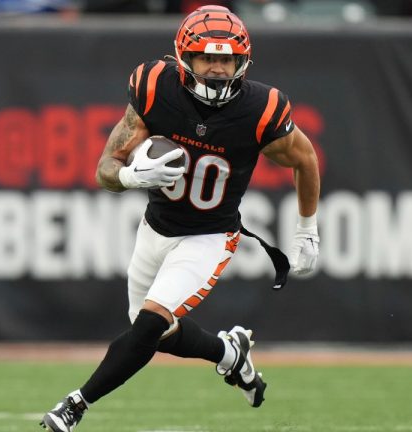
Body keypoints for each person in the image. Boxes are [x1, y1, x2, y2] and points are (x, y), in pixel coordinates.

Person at [41, 5, 320, 431]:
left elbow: (305, 159)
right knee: (151, 332)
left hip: (208, 237)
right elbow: (105, 169)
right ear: (183, 58)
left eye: (226, 59)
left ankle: (75, 405)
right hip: (155, 228)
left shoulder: (261, 108)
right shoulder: (156, 86)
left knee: (150, 324)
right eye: (207, 57)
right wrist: (133, 176)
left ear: (241, 62)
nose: (216, 68)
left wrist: (307, 228)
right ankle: (230, 355)